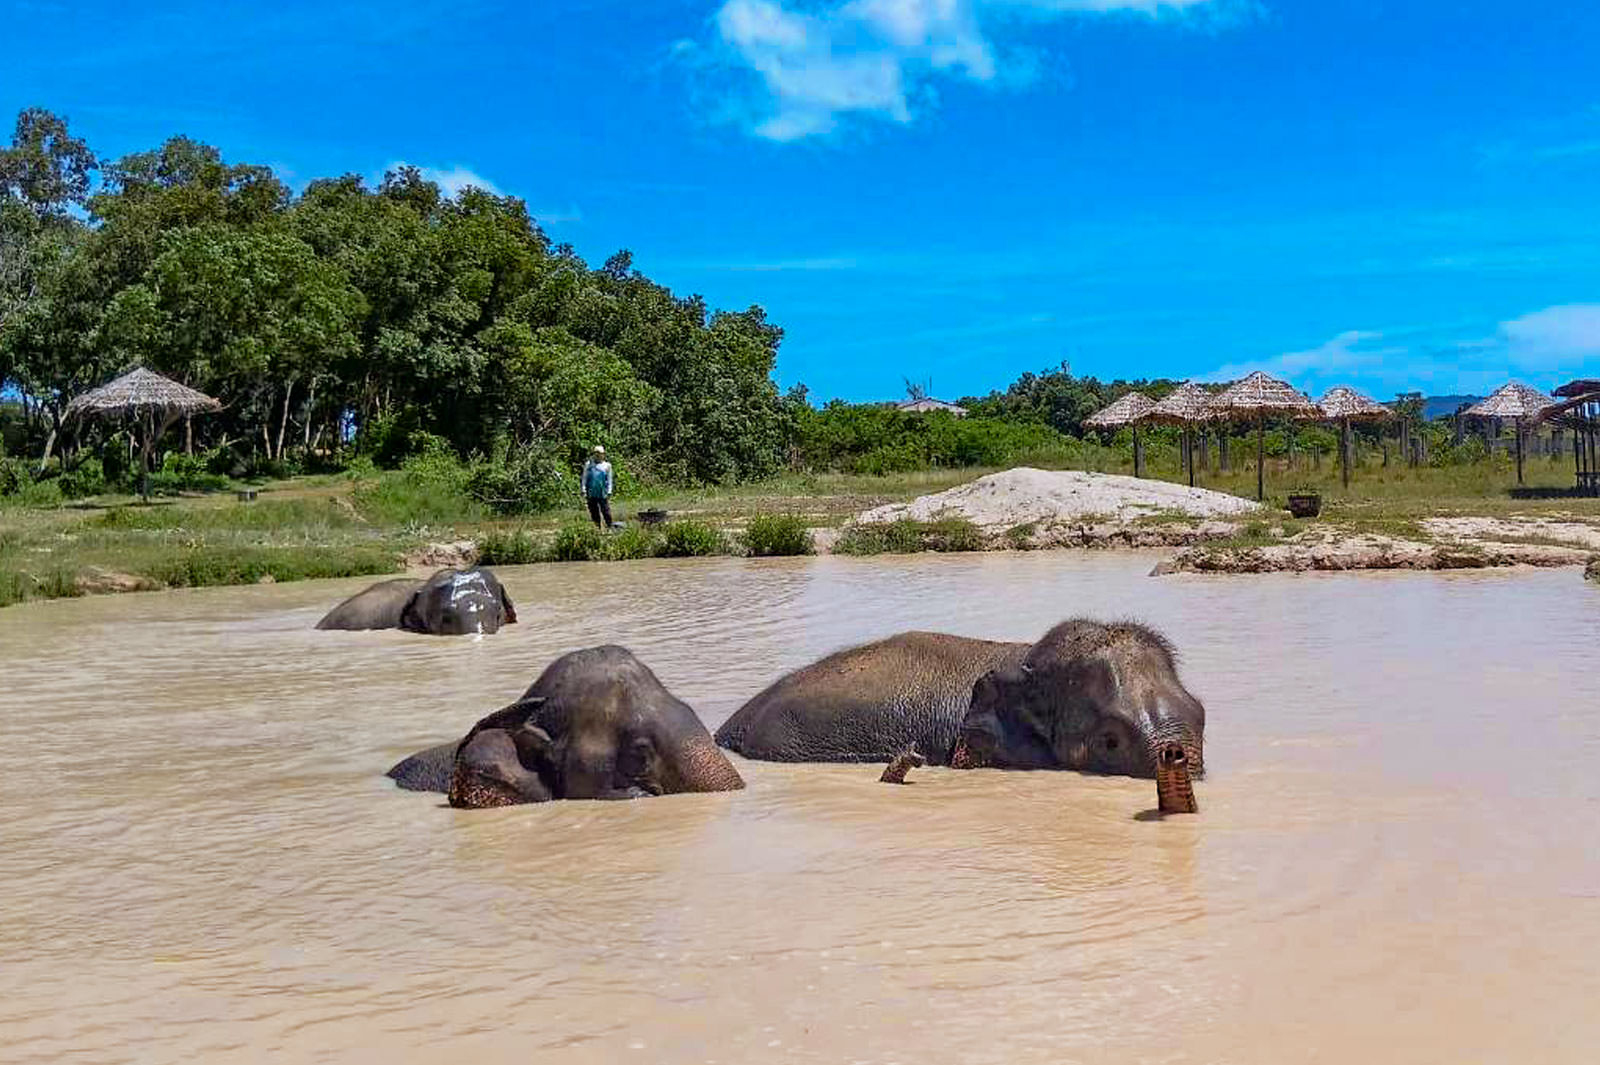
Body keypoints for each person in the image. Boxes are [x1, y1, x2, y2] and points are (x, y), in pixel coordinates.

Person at [581, 445, 615, 529]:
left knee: (605, 510)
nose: (598, 455)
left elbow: (609, 479)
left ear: (603, 454)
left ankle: (609, 527)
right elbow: (584, 477)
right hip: (591, 492)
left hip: (602, 492)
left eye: (600, 454)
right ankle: (597, 527)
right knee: (594, 511)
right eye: (596, 453)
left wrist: (609, 490)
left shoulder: (607, 465)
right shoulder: (589, 465)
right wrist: (583, 489)